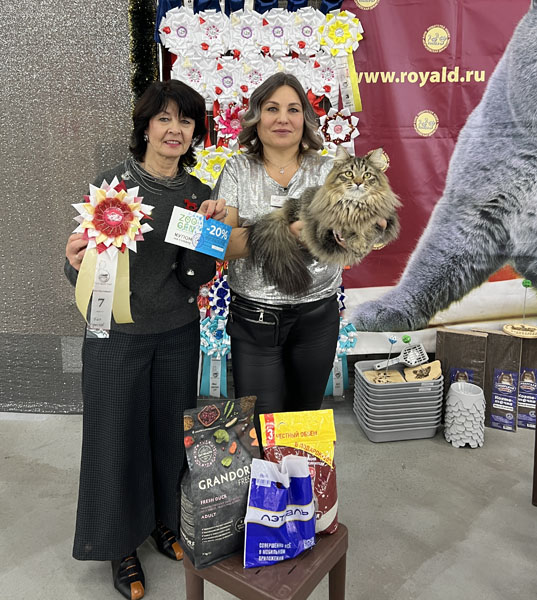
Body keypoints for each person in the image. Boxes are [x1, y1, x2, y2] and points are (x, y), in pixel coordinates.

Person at [64, 79, 226, 600]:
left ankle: (163, 522)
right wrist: (73, 262)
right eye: (164, 118)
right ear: (146, 127)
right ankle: (121, 546)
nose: (175, 129)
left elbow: (195, 277)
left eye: (186, 121)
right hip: (115, 335)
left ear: (195, 132)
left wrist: (212, 233)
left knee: (169, 435)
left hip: (177, 332)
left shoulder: (199, 194)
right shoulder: (111, 186)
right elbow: (82, 269)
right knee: (116, 439)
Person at [212, 72, 343, 439]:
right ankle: (266, 480)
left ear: (305, 119)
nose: (283, 119)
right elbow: (223, 244)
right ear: (256, 117)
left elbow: (346, 235)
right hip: (254, 320)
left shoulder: (327, 169)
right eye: (272, 109)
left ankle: (298, 481)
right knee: (262, 428)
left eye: (293, 109)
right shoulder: (238, 169)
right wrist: (287, 232)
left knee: (302, 426)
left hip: (317, 317)